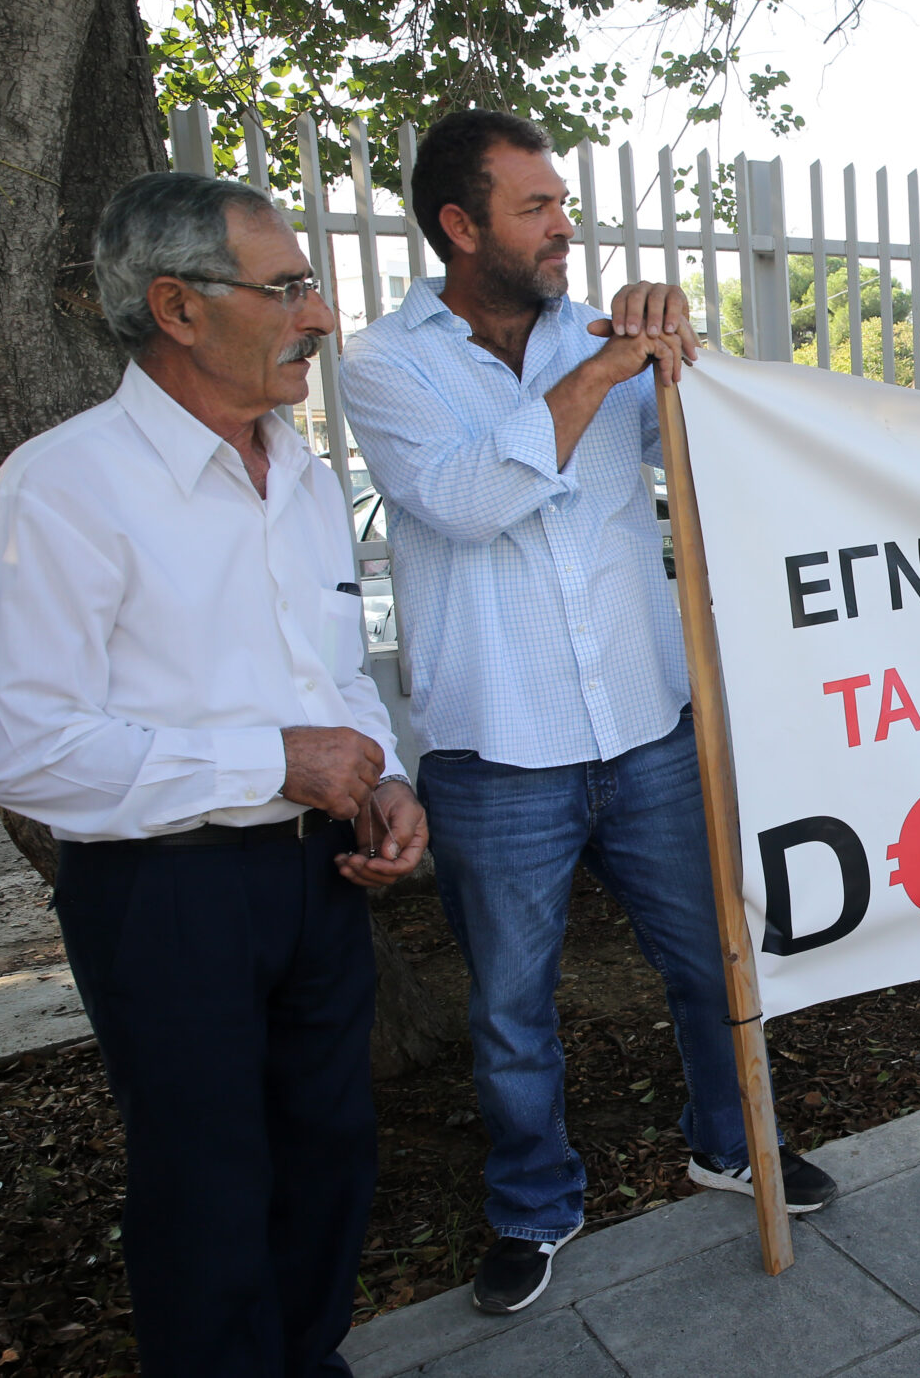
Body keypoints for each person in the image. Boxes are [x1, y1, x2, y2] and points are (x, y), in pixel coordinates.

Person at [341, 108, 836, 1315]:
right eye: (536, 208)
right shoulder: (384, 365)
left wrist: (677, 353)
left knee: (710, 957)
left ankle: (731, 1141)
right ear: (460, 226)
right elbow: (465, 500)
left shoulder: (606, 336)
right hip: (497, 752)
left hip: (647, 727)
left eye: (562, 203)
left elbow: (715, 451)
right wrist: (602, 372)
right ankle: (532, 1203)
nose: (565, 226)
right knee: (513, 1010)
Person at [0, 171, 428, 1376]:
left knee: (328, 1154)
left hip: (318, 877)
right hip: (164, 894)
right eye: (287, 288)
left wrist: (380, 780)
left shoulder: (307, 478)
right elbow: (28, 749)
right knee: (206, 1184)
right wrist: (271, 759)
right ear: (176, 307)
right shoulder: (61, 488)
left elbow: (335, 674)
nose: (319, 316)